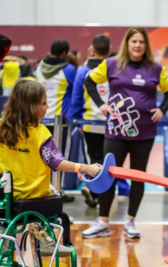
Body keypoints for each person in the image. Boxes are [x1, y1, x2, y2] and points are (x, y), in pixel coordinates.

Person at [82, 26, 168, 239]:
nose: (137, 45)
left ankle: (131, 222)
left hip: (144, 133)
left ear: (146, 45)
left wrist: (163, 108)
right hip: (115, 131)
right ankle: (102, 222)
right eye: (133, 41)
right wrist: (101, 105)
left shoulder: (156, 69)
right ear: (127, 43)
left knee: (138, 177)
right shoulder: (111, 64)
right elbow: (89, 81)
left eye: (141, 42)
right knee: (108, 175)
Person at [0, 79, 102, 199]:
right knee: (62, 216)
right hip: (34, 197)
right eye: (43, 103)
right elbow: (56, 162)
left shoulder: (1, 126)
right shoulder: (40, 132)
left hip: (5, 196)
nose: (47, 106)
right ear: (30, 106)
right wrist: (86, 167)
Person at [71, 35, 111, 208]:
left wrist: (77, 121)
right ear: (109, 51)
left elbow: (76, 99)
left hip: (89, 123)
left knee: (94, 160)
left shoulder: (82, 72)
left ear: (92, 50)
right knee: (108, 162)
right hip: (111, 124)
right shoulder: (114, 69)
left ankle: (96, 193)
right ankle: (102, 196)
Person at [36, 39, 77, 203]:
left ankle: (43, 189)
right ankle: (59, 191)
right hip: (60, 120)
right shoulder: (69, 69)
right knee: (60, 157)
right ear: (65, 54)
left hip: (40, 119)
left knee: (41, 157)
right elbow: (77, 91)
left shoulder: (39, 66)